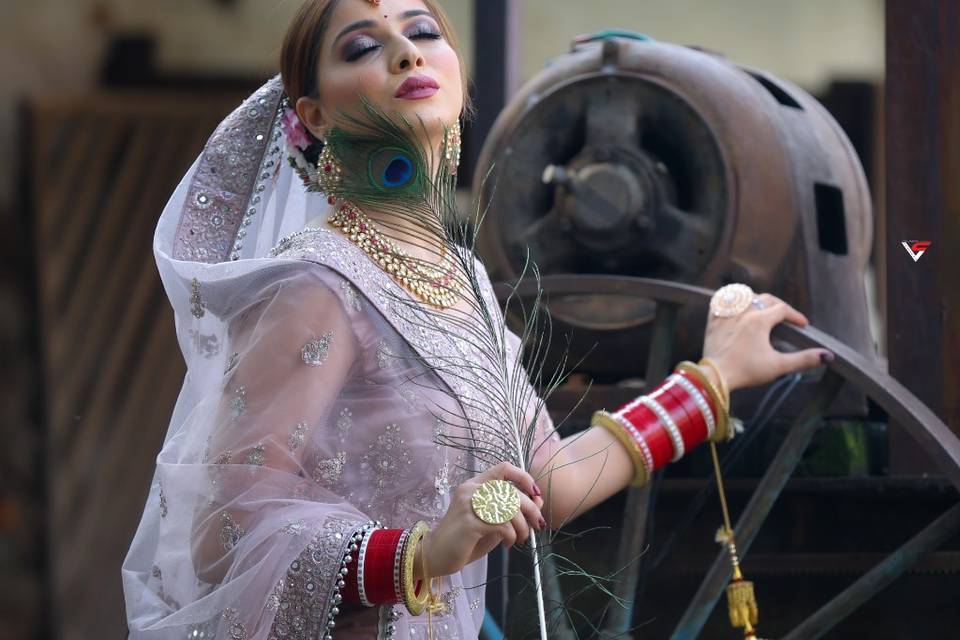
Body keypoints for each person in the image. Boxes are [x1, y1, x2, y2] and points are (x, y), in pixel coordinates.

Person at [122, 1, 833, 638]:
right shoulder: (317, 285)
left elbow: (548, 481)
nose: (407, 53)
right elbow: (223, 536)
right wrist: (422, 552)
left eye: (424, 31)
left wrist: (709, 382)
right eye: (363, 47)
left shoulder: (461, 284)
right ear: (314, 116)